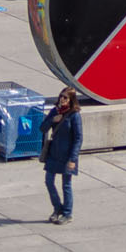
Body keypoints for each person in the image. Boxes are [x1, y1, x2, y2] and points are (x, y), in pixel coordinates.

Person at [40, 85, 81, 224]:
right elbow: (42, 128)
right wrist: (52, 120)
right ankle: (58, 208)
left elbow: (78, 138)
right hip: (54, 153)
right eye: (61, 96)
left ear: (71, 100)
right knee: (49, 181)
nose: (62, 99)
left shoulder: (74, 115)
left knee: (66, 185)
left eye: (65, 97)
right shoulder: (55, 111)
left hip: (67, 155)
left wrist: (73, 158)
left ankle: (67, 213)